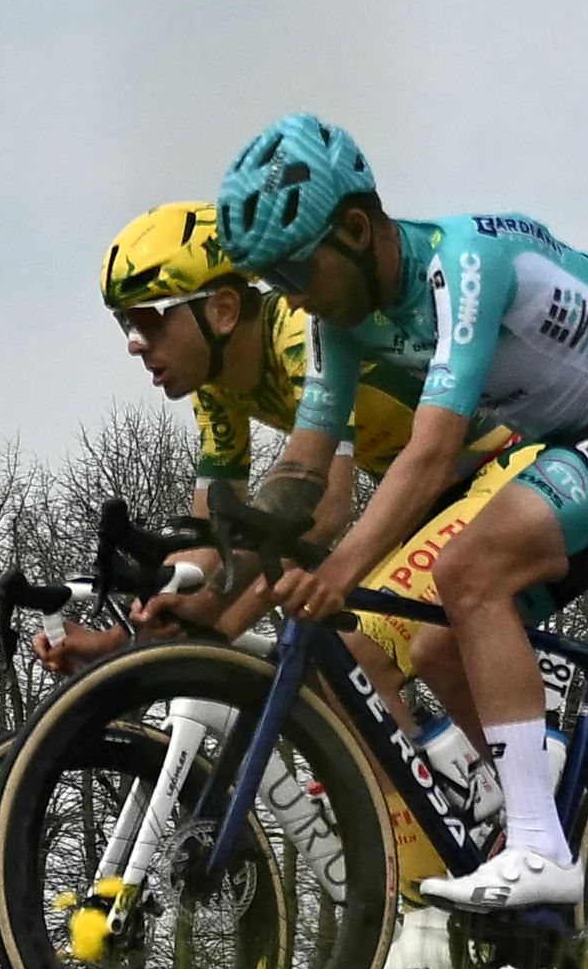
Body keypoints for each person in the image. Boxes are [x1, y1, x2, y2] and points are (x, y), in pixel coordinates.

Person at [210, 112, 588, 928]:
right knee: (442, 645)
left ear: (354, 229)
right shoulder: (336, 323)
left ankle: (540, 847)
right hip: (578, 444)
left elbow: (430, 451)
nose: (292, 297)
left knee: (469, 570)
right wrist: (216, 570)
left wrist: (340, 573)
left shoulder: (465, 263)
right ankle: (584, 835)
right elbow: (303, 470)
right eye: (275, 282)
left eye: (297, 272)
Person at [53, 204, 419, 682]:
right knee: (331, 675)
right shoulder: (215, 386)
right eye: (126, 324)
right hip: (421, 501)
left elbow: (323, 512)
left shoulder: (298, 331)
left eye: (147, 318)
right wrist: (126, 640)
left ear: (223, 309)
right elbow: (207, 543)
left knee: (350, 669)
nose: (135, 344)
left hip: (486, 475)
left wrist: (213, 626)